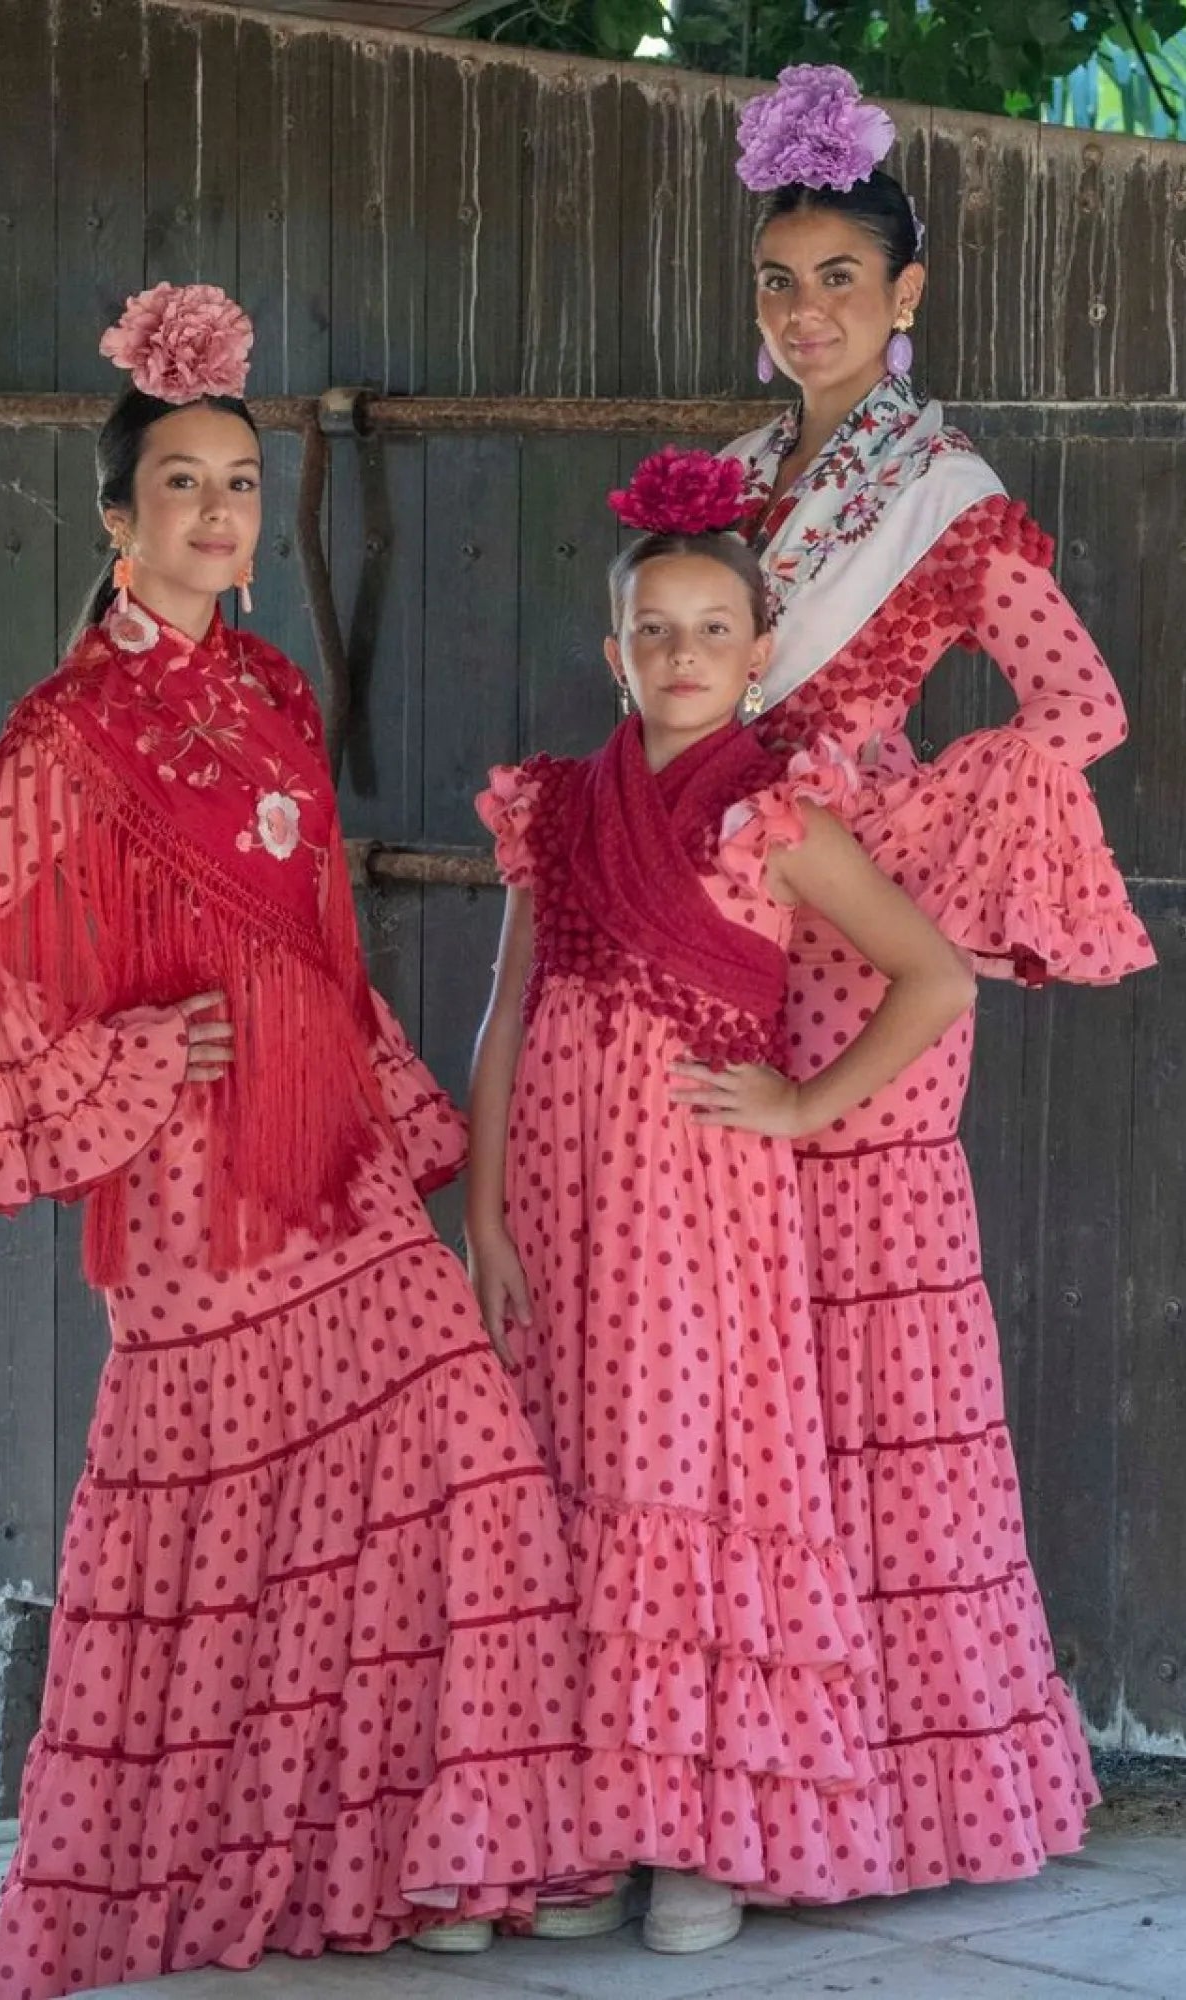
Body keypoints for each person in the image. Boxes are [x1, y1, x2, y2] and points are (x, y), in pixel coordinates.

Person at [0, 283, 593, 1997]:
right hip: (190, 1180)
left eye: (240, 483)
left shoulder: (270, 681)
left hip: (323, 1142)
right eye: (179, 483)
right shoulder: (69, 726)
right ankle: (208, 1882)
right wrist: (119, 1054)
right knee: (234, 1513)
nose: (215, 510)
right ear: (118, 520)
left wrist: (356, 1089)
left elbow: (317, 931)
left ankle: (433, 1854)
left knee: (453, 1448)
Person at [721, 66, 1155, 1890]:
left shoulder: (944, 489)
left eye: (842, 278)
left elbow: (1083, 710)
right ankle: (760, 1784)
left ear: (907, 294)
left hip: (865, 941)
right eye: (780, 281)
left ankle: (904, 1797)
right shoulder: (735, 478)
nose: (807, 310)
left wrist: (901, 823)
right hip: (725, 910)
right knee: (744, 1335)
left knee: (876, 1351)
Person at [467, 446, 977, 1953]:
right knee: (564, 1471)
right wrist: (483, 1216)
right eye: (654, 631)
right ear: (613, 651)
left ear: (760, 654)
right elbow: (505, 1014)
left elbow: (935, 978)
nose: (681, 655)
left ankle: (702, 1837)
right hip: (555, 1189)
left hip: (698, 1202)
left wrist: (807, 1106)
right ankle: (580, 1833)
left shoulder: (778, 815)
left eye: (711, 631)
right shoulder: (555, 808)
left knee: (686, 1469)